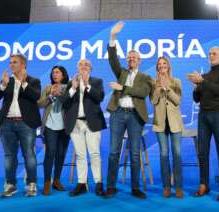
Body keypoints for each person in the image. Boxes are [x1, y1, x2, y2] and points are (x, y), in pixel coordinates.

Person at [105, 21, 152, 199]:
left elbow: (143, 93)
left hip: (135, 116)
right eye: (129, 57)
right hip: (117, 114)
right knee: (113, 152)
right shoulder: (121, 73)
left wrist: (122, 88)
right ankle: (111, 186)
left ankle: (135, 187)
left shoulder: (145, 77)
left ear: (140, 60)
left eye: (134, 57)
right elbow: (112, 58)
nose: (131, 59)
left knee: (134, 153)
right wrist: (112, 37)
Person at [187, 46, 219, 201]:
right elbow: (197, 99)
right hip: (203, 116)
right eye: (209, 54)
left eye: (214, 53)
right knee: (202, 153)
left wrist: (202, 81)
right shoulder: (204, 76)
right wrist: (195, 87)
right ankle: (204, 184)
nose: (211, 56)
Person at [0, 54, 41, 197]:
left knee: (29, 155)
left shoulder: (34, 81)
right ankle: (10, 185)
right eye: (10, 62)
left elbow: (36, 96)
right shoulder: (7, 81)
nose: (11, 65)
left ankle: (31, 184)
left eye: (14, 62)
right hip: (6, 124)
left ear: (23, 65)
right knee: (10, 156)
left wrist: (23, 83)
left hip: (26, 124)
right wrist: (2, 85)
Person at [60, 59, 106, 197]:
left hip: (92, 122)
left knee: (95, 154)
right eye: (80, 64)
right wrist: (73, 88)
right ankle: (82, 183)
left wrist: (87, 85)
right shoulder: (70, 83)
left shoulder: (97, 81)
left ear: (90, 69)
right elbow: (63, 101)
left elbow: (99, 97)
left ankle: (98, 183)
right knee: (80, 155)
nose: (83, 67)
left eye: (86, 65)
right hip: (75, 124)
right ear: (77, 68)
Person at [150, 56, 184, 198]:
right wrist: (159, 88)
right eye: (159, 64)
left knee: (177, 154)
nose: (162, 66)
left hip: (175, 123)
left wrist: (167, 88)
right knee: (164, 154)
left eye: (164, 63)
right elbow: (153, 101)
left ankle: (178, 187)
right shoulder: (152, 83)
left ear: (168, 66)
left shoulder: (176, 82)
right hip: (160, 124)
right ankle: (166, 186)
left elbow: (177, 101)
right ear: (157, 68)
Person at [37, 65, 70, 195]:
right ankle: (47, 182)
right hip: (50, 125)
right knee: (50, 153)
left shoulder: (69, 88)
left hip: (65, 126)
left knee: (61, 154)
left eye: (57, 72)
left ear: (63, 74)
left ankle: (56, 180)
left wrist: (61, 95)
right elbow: (39, 104)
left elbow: (71, 104)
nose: (54, 75)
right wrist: (50, 96)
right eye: (53, 73)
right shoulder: (47, 88)